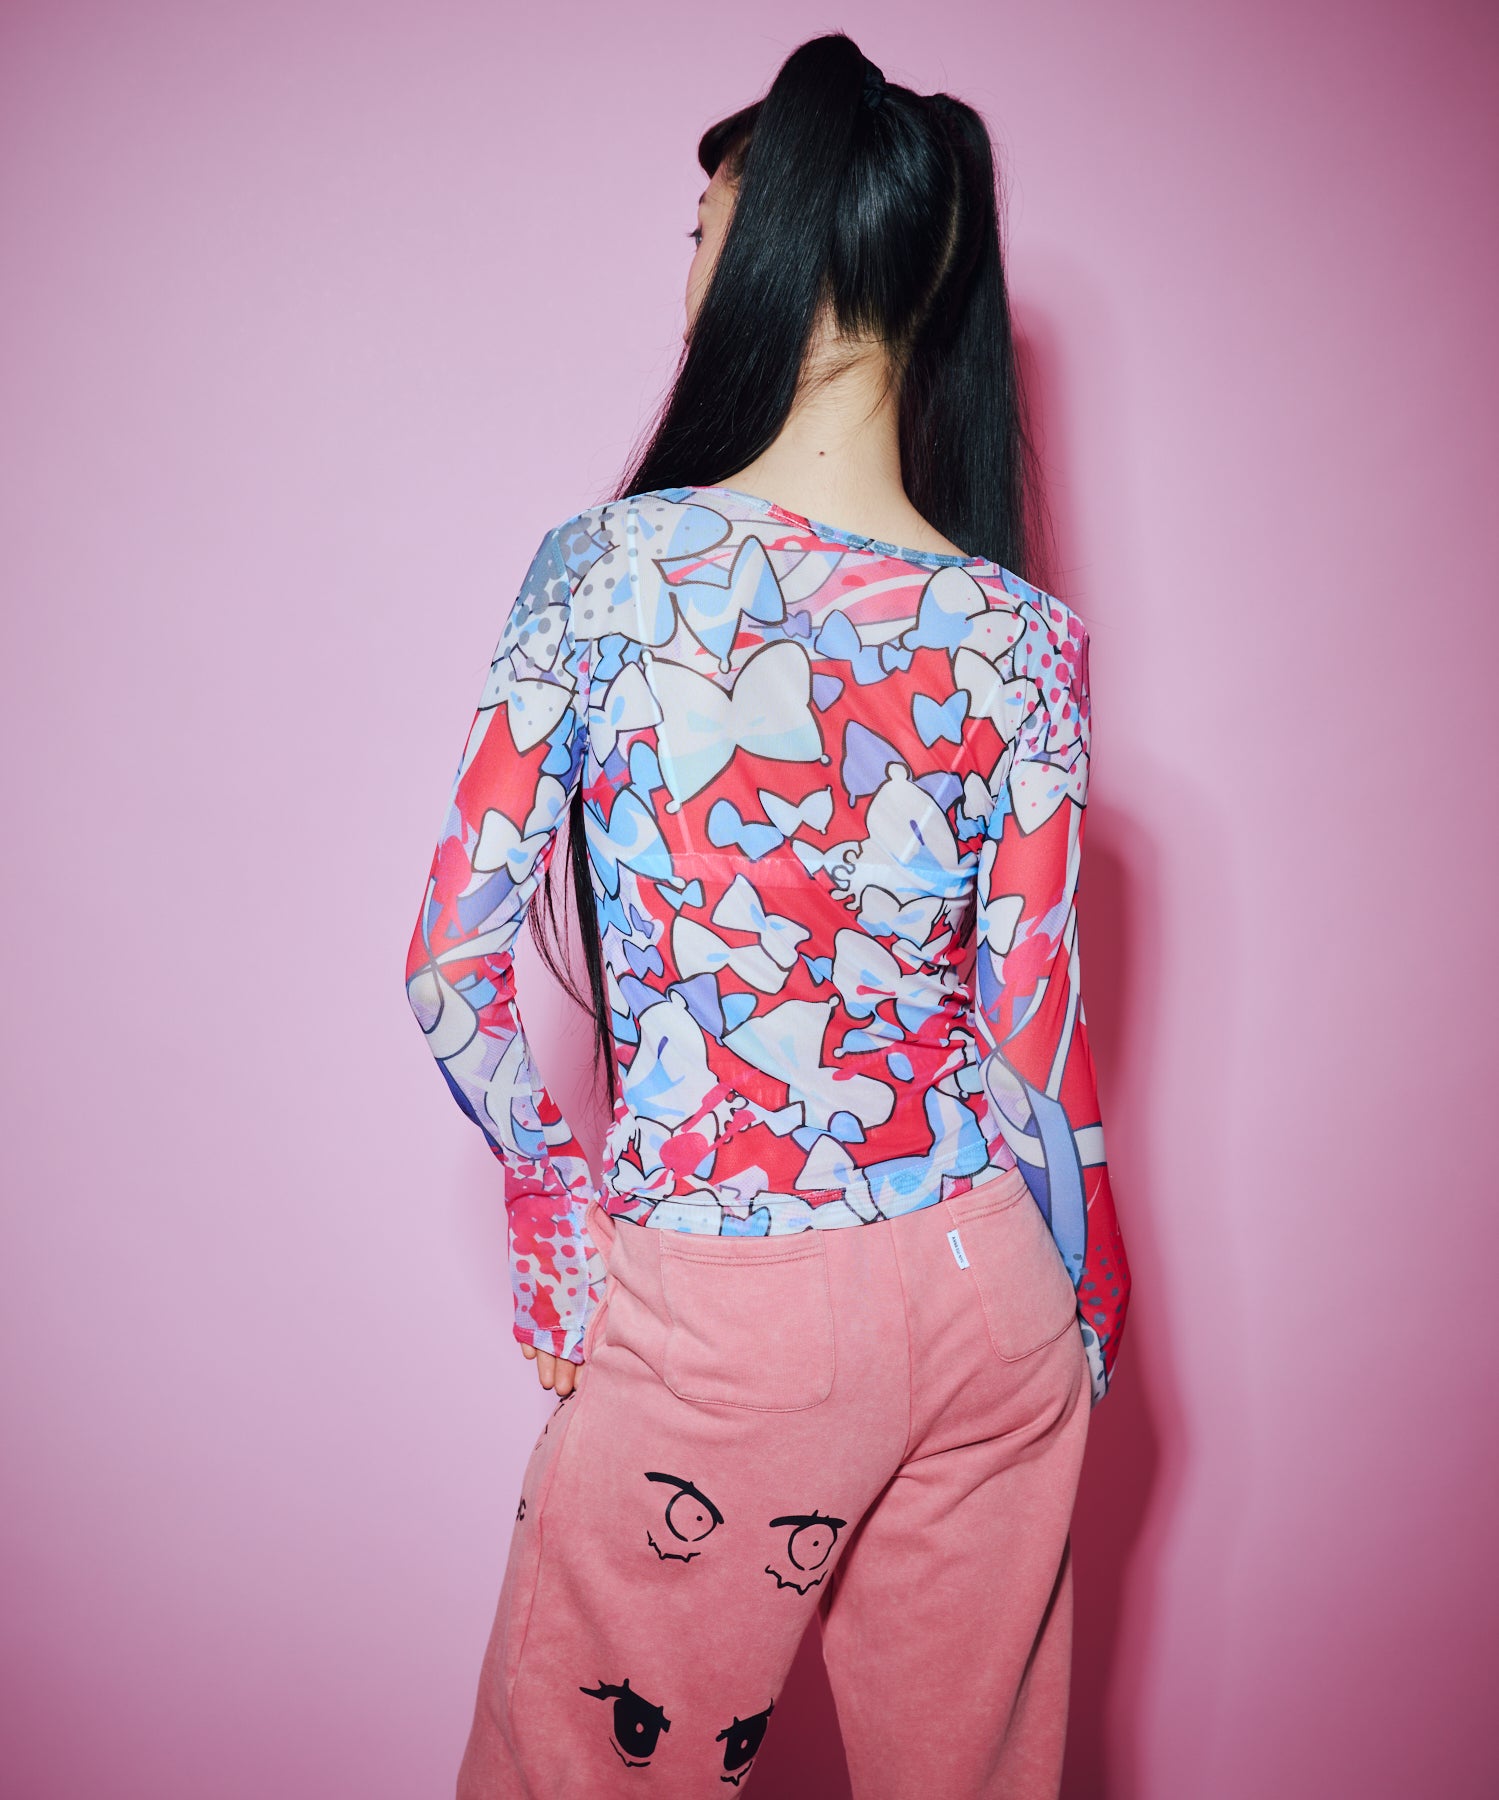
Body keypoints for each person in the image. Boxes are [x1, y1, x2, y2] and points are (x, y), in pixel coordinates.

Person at [404, 31, 1131, 1799]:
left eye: (705, 224)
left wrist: (554, 1221)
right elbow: (1038, 1036)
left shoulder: (606, 571)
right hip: (995, 1296)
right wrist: (1092, 1307)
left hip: (724, 1317)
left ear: (773, 245)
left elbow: (448, 966)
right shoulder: (1024, 636)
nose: (693, 260)